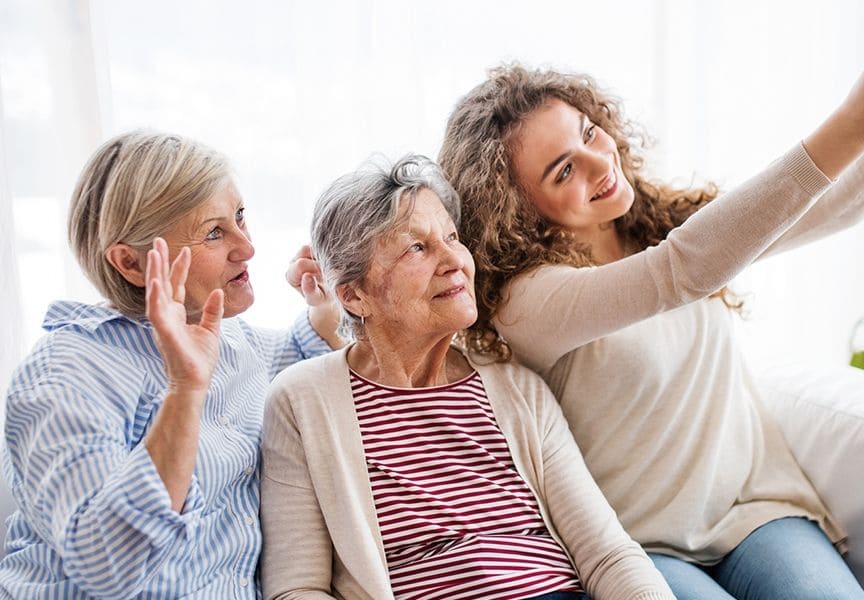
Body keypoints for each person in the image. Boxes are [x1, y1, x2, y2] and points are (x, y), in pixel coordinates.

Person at [436, 2, 864, 598]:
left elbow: (833, 206)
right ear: (518, 209)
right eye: (564, 171)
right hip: (633, 546)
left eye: (589, 134)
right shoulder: (530, 299)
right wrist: (854, 119)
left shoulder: (664, 222)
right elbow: (679, 272)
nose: (599, 162)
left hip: (757, 514)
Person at [259, 154, 673, 600]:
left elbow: (608, 555)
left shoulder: (517, 388)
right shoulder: (302, 401)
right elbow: (296, 589)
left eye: (452, 237)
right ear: (355, 295)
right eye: (417, 247)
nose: (454, 260)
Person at [0, 131, 342, 598]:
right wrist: (185, 389)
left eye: (240, 217)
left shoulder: (229, 334)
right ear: (132, 264)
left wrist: (325, 315)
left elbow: (291, 366)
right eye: (214, 232)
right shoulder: (64, 376)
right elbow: (108, 567)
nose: (247, 248)